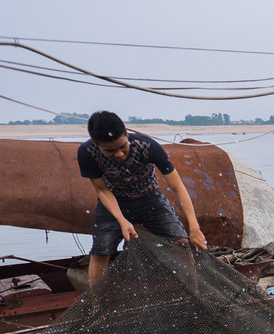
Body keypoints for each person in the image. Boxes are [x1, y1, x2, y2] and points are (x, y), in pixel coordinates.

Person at [77, 111, 208, 285]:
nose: (119, 154)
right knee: (100, 251)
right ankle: (96, 307)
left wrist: (194, 226)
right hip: (114, 200)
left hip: (150, 196)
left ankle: (194, 291)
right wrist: (121, 220)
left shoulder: (147, 146)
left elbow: (177, 187)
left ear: (126, 134)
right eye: (110, 151)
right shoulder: (87, 152)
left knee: (182, 243)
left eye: (122, 147)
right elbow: (102, 191)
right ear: (96, 144)